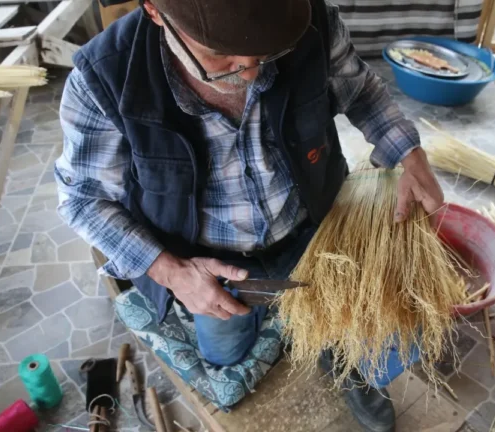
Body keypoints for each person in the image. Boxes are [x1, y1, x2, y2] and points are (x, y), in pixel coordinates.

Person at [55, 0, 445, 430]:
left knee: (348, 320)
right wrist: (172, 272)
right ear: (154, 11)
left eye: (266, 51)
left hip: (313, 226)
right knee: (228, 352)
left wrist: (410, 155)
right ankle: (248, 330)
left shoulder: (311, 21)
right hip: (209, 262)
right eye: (220, 56)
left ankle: (347, 363)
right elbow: (83, 199)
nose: (250, 73)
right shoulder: (103, 78)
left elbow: (362, 91)